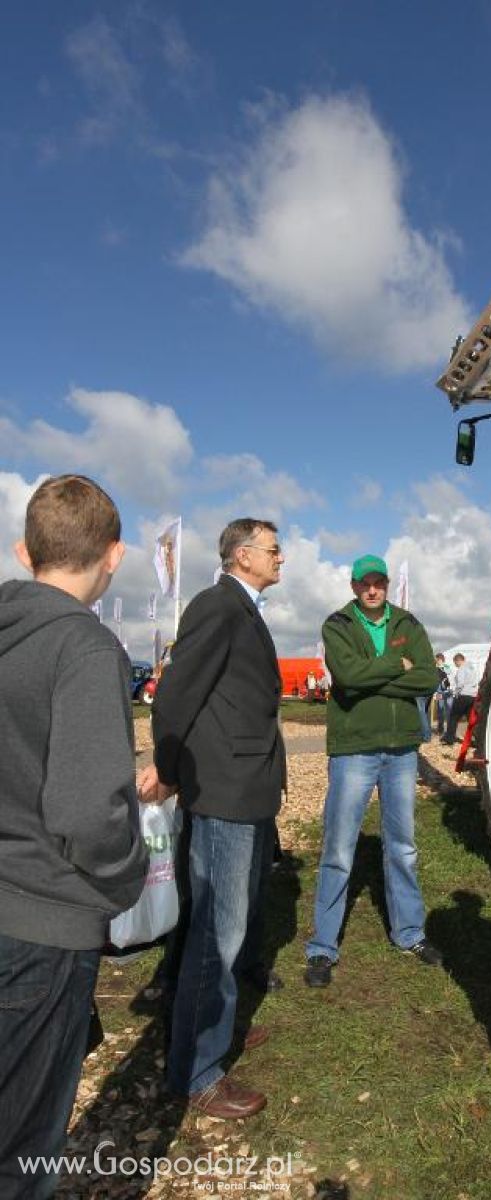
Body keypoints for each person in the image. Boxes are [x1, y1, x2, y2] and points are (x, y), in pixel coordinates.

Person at [0, 475, 148, 1198]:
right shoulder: (85, 648)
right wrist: (126, 879)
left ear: (24, 551)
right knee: (22, 1148)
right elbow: (88, 814)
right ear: (114, 556)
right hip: (42, 925)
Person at [141, 519, 286, 1119]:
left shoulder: (243, 609)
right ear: (243, 554)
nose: (283, 559)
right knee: (216, 937)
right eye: (275, 549)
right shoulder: (218, 606)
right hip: (223, 793)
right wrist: (170, 770)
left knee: (225, 925)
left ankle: (212, 1030)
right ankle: (197, 1069)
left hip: (243, 790)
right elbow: (176, 697)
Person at [304, 554, 442, 987]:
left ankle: (410, 933)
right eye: (365, 583)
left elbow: (428, 678)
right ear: (353, 586)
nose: (372, 589)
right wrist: (392, 668)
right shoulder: (337, 624)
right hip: (354, 750)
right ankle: (323, 948)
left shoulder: (408, 623)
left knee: (402, 846)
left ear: (385, 584)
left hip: (401, 751)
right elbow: (344, 676)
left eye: (379, 582)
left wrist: (371, 677)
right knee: (339, 848)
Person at [441, 652, 478, 745]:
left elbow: (460, 683)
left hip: (463, 695)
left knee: (454, 717)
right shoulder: (472, 668)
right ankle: (477, 739)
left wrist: (455, 693)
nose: (455, 665)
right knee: (471, 718)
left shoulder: (462, 669)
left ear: (458, 660)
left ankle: (449, 738)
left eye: (455, 663)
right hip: (472, 696)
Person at [432, 652, 453, 736]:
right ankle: (440, 729)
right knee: (440, 710)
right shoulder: (434, 668)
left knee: (449, 710)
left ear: (441, 659)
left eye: (438, 659)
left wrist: (442, 667)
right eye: (436, 660)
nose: (437, 661)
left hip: (447, 691)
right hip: (439, 691)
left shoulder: (446, 667)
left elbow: (450, 675)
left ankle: (449, 730)